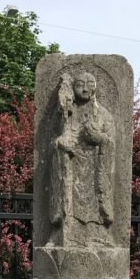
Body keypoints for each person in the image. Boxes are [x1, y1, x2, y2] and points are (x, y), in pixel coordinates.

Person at [48, 70, 115, 247]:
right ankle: (65, 235)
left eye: (89, 85)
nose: (85, 89)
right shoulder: (65, 114)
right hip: (70, 165)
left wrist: (99, 138)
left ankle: (97, 237)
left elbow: (111, 142)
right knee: (69, 203)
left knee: (94, 205)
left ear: (95, 88)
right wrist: (60, 143)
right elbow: (52, 141)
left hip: (94, 168)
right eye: (80, 85)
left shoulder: (104, 115)